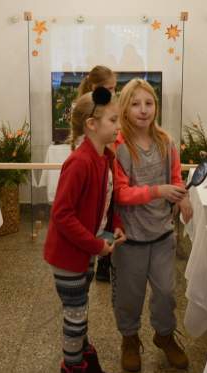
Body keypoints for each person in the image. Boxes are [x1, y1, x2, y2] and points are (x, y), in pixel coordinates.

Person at [43, 87, 127, 373]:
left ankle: (87, 370)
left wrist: (113, 225)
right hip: (69, 255)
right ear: (92, 124)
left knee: (80, 311)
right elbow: (62, 214)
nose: (118, 126)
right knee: (75, 317)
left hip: (86, 250)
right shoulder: (79, 162)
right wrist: (95, 244)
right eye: (113, 120)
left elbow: (107, 199)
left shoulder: (105, 157)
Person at [111, 78, 193, 372]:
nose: (143, 110)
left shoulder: (165, 142)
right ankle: (130, 339)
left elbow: (176, 177)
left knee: (166, 293)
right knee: (129, 296)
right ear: (124, 108)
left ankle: (164, 335)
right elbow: (120, 193)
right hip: (130, 239)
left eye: (148, 103)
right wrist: (158, 191)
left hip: (162, 234)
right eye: (135, 104)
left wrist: (183, 197)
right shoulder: (119, 146)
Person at [70, 65, 118, 282]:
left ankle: (102, 261)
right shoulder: (82, 159)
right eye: (108, 89)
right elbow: (64, 214)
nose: (113, 93)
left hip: (90, 242)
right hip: (75, 253)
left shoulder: (100, 156)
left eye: (114, 88)